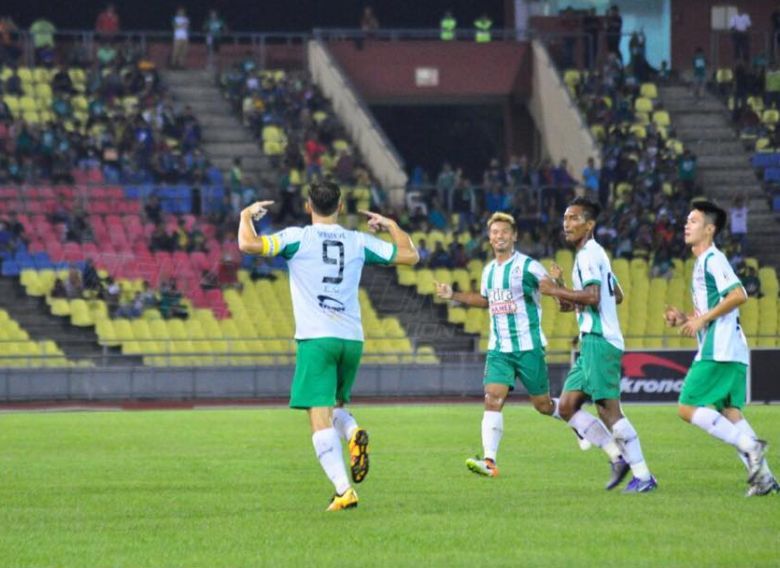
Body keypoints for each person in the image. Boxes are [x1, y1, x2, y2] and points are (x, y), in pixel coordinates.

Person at [237, 180, 419, 511]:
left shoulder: (296, 237)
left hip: (316, 338)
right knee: (336, 407)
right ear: (341, 207)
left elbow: (248, 246)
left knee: (318, 416)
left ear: (308, 206)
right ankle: (352, 433)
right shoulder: (358, 240)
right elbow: (410, 255)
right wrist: (391, 225)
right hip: (351, 338)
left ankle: (343, 489)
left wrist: (245, 215)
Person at [434, 212, 589, 478]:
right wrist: (453, 295)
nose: (499, 236)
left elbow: (563, 303)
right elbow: (486, 301)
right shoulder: (488, 271)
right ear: (490, 238)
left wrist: (560, 283)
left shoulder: (529, 267)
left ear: (514, 236)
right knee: (492, 399)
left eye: (504, 232)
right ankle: (490, 461)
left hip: (528, 347)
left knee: (543, 405)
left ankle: (571, 415)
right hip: (499, 349)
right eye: (494, 232)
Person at [542, 197, 657, 493]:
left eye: (574, 218)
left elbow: (594, 297)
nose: (566, 224)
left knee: (608, 410)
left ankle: (643, 475)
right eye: (565, 218)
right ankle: (618, 459)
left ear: (589, 225)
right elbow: (615, 294)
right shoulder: (594, 255)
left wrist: (557, 288)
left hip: (600, 341)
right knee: (567, 406)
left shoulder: (589, 254)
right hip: (590, 342)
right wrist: (563, 288)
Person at [664, 201, 777, 496]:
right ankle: (765, 480)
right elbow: (714, 308)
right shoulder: (704, 263)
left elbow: (739, 295)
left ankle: (751, 447)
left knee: (687, 408)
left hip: (721, 349)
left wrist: (702, 319)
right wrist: (685, 319)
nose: (686, 225)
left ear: (710, 229)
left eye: (694, 221)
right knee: (731, 415)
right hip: (731, 349)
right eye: (687, 220)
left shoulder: (713, 259)